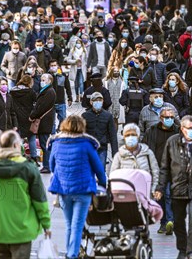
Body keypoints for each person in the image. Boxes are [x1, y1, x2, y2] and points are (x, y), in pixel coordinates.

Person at [0, 130, 51, 259]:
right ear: (15, 145)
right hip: (22, 230)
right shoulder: (28, 168)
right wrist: (46, 224)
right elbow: (40, 201)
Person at [48, 116, 107, 259]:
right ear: (82, 126)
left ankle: (70, 252)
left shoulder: (57, 143)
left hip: (63, 189)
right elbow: (98, 168)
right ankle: (72, 255)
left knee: (69, 224)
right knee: (77, 224)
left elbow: (51, 165)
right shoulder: (86, 144)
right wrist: (103, 183)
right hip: (83, 190)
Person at [155, 116, 192, 259]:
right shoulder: (172, 142)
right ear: (182, 129)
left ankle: (191, 251)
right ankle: (182, 249)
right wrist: (160, 188)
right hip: (178, 187)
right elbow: (165, 167)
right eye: (190, 128)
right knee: (178, 222)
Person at [143, 107, 178, 235]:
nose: (169, 120)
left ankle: (170, 221)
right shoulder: (151, 131)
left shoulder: (177, 130)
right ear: (160, 118)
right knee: (159, 196)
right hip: (156, 168)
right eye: (166, 117)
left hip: (172, 168)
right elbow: (145, 148)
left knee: (169, 194)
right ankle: (164, 223)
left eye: (171, 117)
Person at [111, 123, 159, 192]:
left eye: (133, 135)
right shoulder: (119, 155)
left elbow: (155, 173)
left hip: (145, 193)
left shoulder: (148, 153)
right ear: (124, 137)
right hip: (126, 194)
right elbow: (113, 176)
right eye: (127, 135)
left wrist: (153, 190)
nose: (130, 137)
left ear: (138, 136)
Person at [29, 73, 56, 174]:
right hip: (44, 122)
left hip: (44, 122)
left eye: (44, 80)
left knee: (45, 145)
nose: (42, 81)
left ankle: (47, 166)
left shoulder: (49, 92)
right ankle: (47, 165)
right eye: (41, 80)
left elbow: (41, 107)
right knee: (44, 144)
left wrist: (32, 115)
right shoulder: (46, 91)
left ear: (49, 81)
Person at [83, 92, 119, 167]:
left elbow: (113, 135)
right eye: (96, 100)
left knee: (101, 170)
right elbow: (80, 133)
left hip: (102, 148)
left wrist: (115, 153)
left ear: (102, 102)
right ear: (91, 102)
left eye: (100, 100)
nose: (98, 102)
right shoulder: (85, 116)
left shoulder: (108, 116)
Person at [49, 59, 72, 130]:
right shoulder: (47, 76)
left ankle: (60, 130)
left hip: (61, 101)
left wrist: (70, 97)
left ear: (58, 66)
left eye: (54, 65)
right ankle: (53, 134)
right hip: (51, 103)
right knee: (51, 121)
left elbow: (67, 87)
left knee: (63, 119)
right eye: (51, 66)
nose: (53, 67)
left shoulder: (63, 75)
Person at [66, 37, 88, 102]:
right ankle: (77, 97)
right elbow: (68, 60)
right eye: (77, 43)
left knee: (81, 82)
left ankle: (81, 95)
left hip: (82, 69)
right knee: (76, 84)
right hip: (75, 69)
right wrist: (75, 61)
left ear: (81, 44)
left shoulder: (84, 50)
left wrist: (87, 66)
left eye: (79, 43)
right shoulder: (72, 50)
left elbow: (87, 59)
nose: (78, 44)